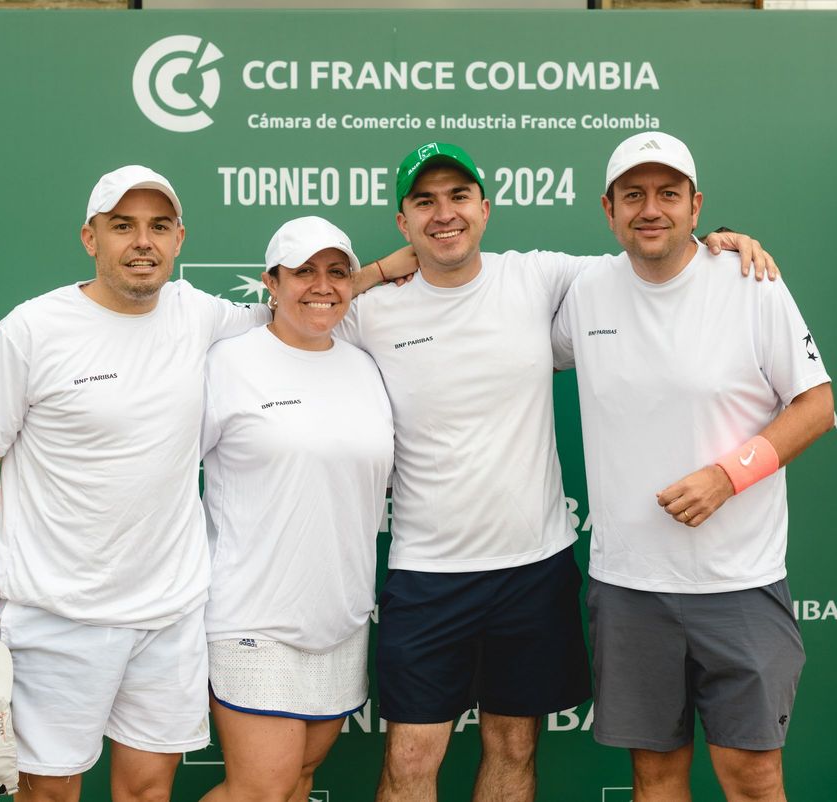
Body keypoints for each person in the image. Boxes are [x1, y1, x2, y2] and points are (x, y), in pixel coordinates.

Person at [332, 141, 779, 802]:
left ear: (486, 208)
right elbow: (287, 322)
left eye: (459, 197)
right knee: (411, 758)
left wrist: (721, 240)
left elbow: (655, 253)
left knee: (514, 748)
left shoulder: (540, 277)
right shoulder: (369, 312)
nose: (444, 213)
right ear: (404, 221)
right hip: (426, 571)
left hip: (533, 569)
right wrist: (372, 272)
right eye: (424, 202)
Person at [0, 167, 401, 802]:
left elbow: (300, 306)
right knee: (48, 794)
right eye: (122, 226)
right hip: (57, 613)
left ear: (179, 239)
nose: (143, 242)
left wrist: (377, 271)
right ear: (90, 237)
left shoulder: (198, 314)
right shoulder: (31, 330)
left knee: (148, 793)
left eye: (158, 227)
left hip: (170, 614)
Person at [551, 131, 834, 802]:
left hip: (739, 582)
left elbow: (817, 406)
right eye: (634, 195)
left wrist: (727, 477)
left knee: (753, 778)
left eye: (668, 194)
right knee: (654, 779)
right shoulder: (586, 291)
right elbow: (487, 317)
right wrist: (386, 273)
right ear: (609, 210)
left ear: (696, 206)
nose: (651, 209)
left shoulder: (751, 283)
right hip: (629, 587)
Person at [197, 216, 394, 802]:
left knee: (300, 781)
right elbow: (164, 469)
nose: (322, 285)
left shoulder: (365, 366)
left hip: (340, 616)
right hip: (253, 615)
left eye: (337, 272)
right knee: (262, 789)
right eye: (304, 271)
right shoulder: (228, 363)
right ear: (271, 282)